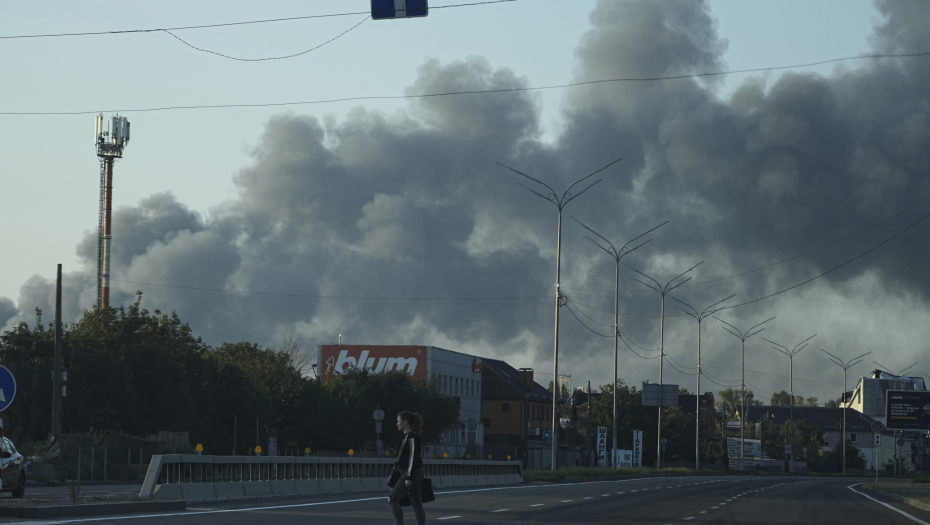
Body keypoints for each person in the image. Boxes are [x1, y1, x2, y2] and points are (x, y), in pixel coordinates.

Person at [388, 411, 426, 525]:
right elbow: (407, 455)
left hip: (412, 472)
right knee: (416, 503)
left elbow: (413, 457)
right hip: (412, 472)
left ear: (405, 422)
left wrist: (408, 477)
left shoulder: (412, 436)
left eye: (398, 421)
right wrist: (397, 453)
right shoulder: (407, 437)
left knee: (393, 499)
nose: (397, 424)